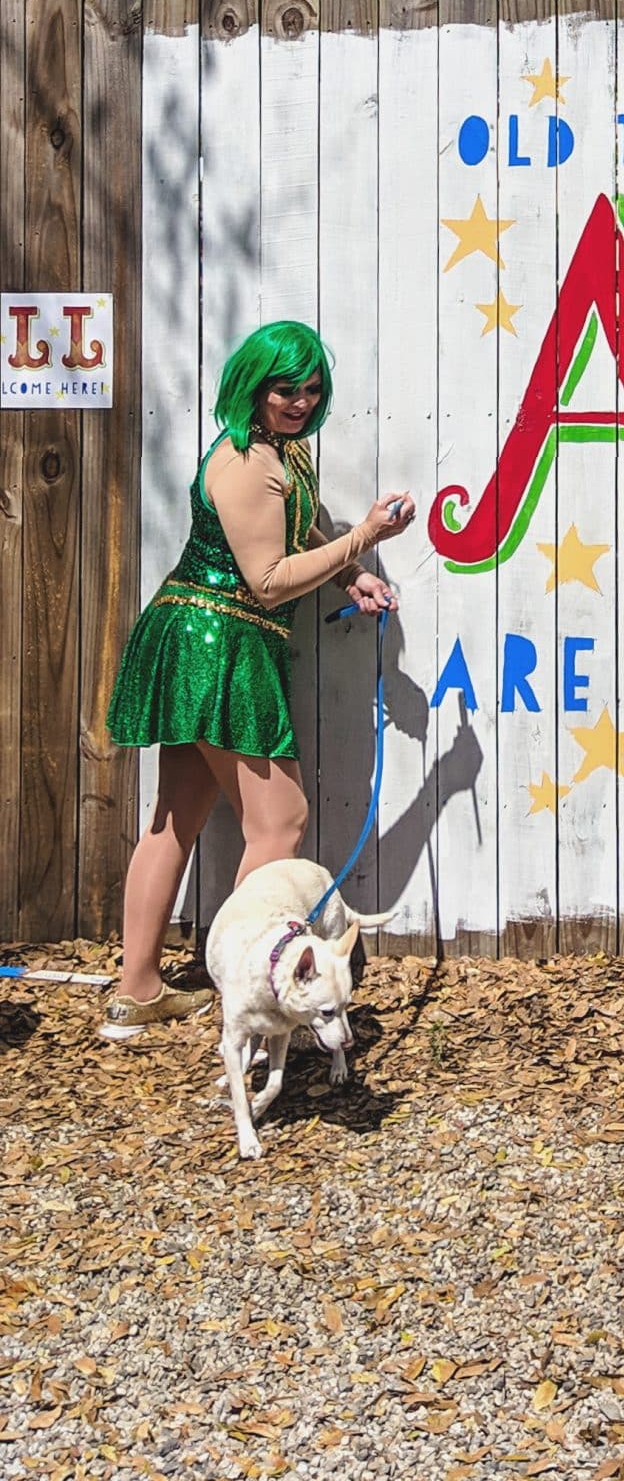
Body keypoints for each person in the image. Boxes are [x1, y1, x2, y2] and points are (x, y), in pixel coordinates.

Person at [102, 321, 414, 1039]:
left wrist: (352, 573)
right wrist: (364, 536)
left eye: (312, 390)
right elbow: (269, 580)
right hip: (222, 643)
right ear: (253, 386)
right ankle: (252, 995)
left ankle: (136, 993)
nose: (300, 401)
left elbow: (291, 533)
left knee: (176, 815)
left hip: (204, 637)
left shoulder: (278, 452)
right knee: (281, 821)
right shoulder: (247, 462)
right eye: (285, 389)